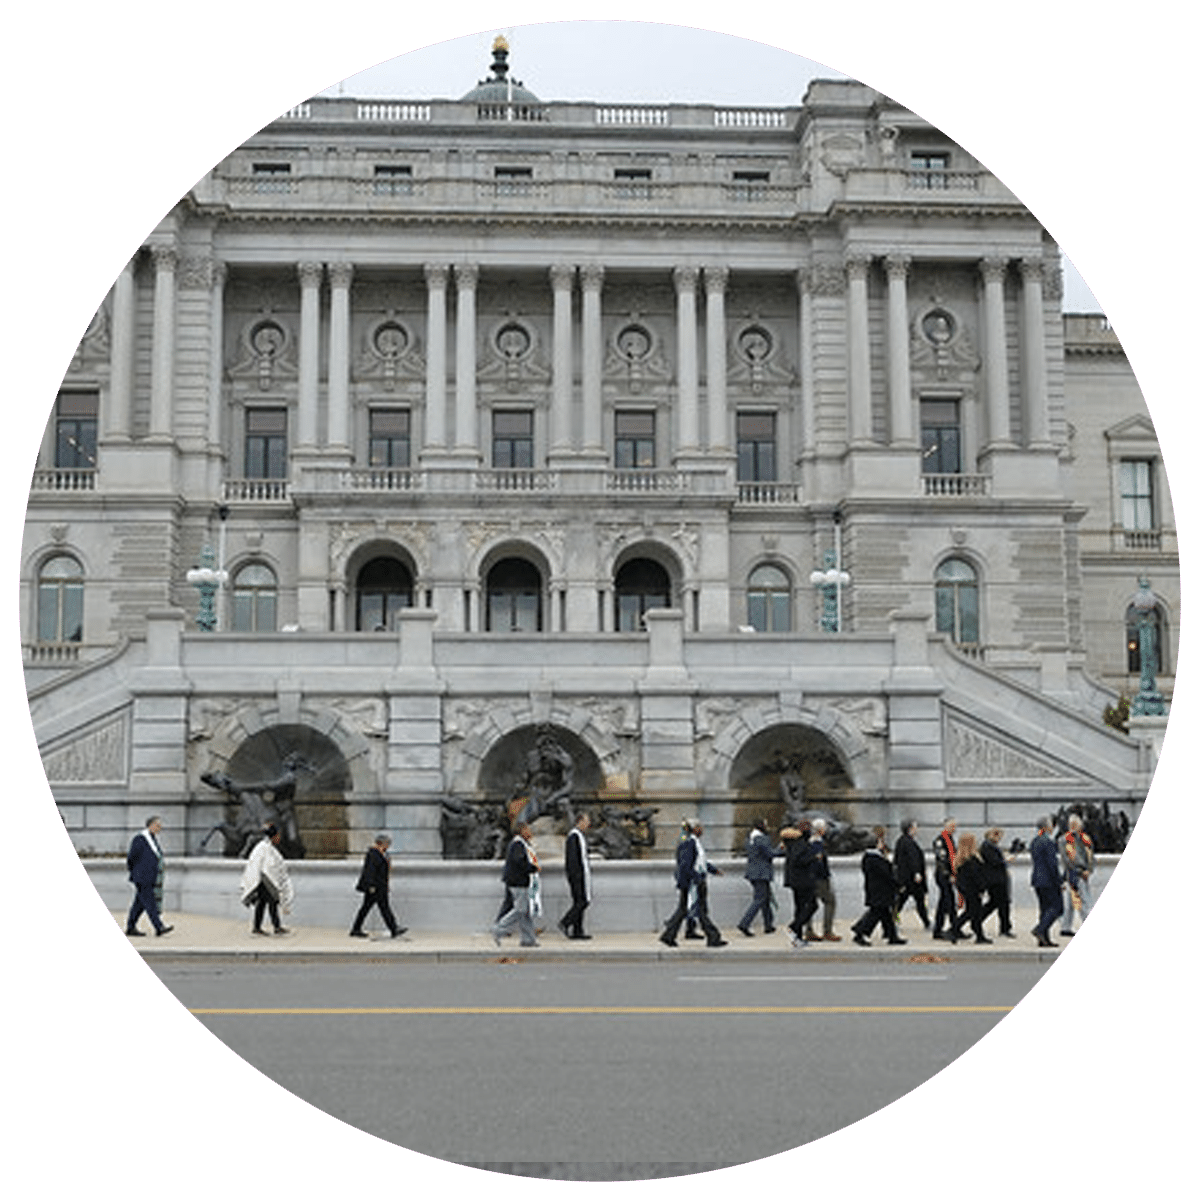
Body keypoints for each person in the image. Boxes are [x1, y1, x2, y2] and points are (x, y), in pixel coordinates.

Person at [660, 821, 726, 947]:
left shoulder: (694, 842)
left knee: (685, 909)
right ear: (694, 829)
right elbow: (686, 865)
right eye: (699, 827)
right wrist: (696, 878)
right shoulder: (688, 843)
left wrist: (714, 870)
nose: (702, 829)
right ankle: (713, 937)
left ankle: (669, 935)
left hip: (693, 881)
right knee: (699, 910)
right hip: (692, 883)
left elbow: (700, 862)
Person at [850, 826, 905, 946]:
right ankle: (860, 932)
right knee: (876, 914)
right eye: (880, 842)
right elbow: (887, 874)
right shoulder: (875, 859)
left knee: (885, 914)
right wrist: (898, 884)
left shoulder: (871, 857)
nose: (882, 843)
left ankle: (892, 936)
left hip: (877, 889)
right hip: (880, 890)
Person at [349, 834, 407, 939]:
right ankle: (394, 929)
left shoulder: (381, 853)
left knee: (367, 908)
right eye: (387, 843)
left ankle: (356, 929)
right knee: (383, 908)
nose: (388, 846)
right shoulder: (373, 853)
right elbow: (370, 870)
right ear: (381, 843)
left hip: (380, 886)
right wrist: (370, 885)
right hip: (376, 887)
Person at [492, 823, 540, 948]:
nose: (530, 831)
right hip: (518, 882)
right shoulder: (518, 844)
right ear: (522, 830)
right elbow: (520, 862)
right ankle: (499, 929)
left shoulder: (519, 844)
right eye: (528, 829)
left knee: (525, 912)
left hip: (518, 881)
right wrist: (532, 868)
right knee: (521, 910)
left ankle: (528, 940)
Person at [240, 824, 294, 935]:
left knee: (263, 903)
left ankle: (258, 927)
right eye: (278, 835)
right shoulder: (265, 848)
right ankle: (276, 927)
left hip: (263, 881)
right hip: (265, 881)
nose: (279, 838)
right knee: (271, 903)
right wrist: (274, 882)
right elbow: (268, 868)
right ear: (273, 836)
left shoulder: (263, 847)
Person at [125, 815, 172, 937]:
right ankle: (159, 926)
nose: (159, 828)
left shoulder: (152, 839)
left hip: (149, 877)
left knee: (139, 904)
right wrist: (135, 872)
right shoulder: (140, 839)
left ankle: (130, 927)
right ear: (150, 825)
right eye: (158, 825)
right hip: (142, 877)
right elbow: (131, 857)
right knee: (150, 903)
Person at [736, 817, 780, 936]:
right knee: (759, 899)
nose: (767, 826)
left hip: (752, 873)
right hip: (762, 873)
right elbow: (770, 854)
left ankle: (768, 925)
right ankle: (744, 923)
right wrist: (782, 849)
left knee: (765, 899)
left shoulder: (749, 838)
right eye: (765, 824)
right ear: (761, 826)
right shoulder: (762, 839)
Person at [780, 819, 819, 949]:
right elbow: (798, 860)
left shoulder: (795, 842)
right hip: (803, 880)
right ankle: (794, 927)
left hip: (797, 880)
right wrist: (814, 857)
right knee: (812, 905)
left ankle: (797, 938)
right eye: (809, 829)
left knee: (800, 908)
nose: (811, 832)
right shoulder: (800, 843)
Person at [950, 833, 992, 944]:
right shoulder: (972, 860)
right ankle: (955, 929)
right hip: (973, 890)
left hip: (967, 890)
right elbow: (977, 877)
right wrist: (982, 888)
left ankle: (979, 935)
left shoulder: (961, 859)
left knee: (973, 913)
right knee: (972, 912)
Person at [1030, 815, 1065, 948]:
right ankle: (1040, 929)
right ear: (1046, 827)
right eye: (1051, 825)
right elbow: (1052, 865)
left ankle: (1044, 939)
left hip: (1037, 880)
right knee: (1057, 908)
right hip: (1048, 881)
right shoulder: (1048, 842)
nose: (1052, 827)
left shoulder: (1035, 841)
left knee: (1045, 909)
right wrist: (1059, 881)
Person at [803, 817, 840, 941]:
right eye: (824, 828)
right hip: (820, 879)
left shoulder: (810, 841)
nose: (826, 830)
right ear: (820, 830)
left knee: (811, 904)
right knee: (830, 901)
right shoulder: (817, 843)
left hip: (810, 878)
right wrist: (823, 875)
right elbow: (818, 861)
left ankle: (809, 930)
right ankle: (827, 931)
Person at [1059, 814, 1095, 938]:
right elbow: (1066, 860)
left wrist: (1089, 870)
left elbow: (1091, 857)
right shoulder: (1064, 840)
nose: (1074, 826)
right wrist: (1080, 871)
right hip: (1074, 874)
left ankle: (1065, 927)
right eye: (1072, 824)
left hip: (1083, 873)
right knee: (1082, 901)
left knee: (1071, 902)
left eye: (1076, 824)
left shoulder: (1085, 839)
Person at [559, 811, 593, 940]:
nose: (588, 824)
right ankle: (565, 922)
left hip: (581, 875)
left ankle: (578, 931)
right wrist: (576, 876)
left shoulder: (579, 836)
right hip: (578, 876)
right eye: (586, 821)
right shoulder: (573, 836)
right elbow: (572, 859)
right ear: (580, 821)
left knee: (579, 902)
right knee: (582, 902)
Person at [893, 820, 929, 929]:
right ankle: (892, 921)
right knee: (907, 901)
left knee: (915, 900)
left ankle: (926, 921)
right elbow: (913, 859)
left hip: (907, 878)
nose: (916, 829)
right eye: (915, 827)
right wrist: (917, 873)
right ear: (910, 829)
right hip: (910, 879)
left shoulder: (902, 841)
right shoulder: (908, 842)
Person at [980, 827, 1015, 937]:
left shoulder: (992, 846)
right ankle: (1004, 928)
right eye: (996, 835)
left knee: (1000, 904)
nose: (999, 838)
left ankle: (1005, 927)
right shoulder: (987, 846)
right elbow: (994, 862)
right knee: (998, 904)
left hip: (998, 879)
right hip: (995, 880)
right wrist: (1005, 860)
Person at [931, 817, 960, 941]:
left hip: (948, 875)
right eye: (952, 826)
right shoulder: (940, 840)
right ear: (946, 826)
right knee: (949, 902)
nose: (954, 829)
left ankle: (939, 930)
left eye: (955, 826)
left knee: (944, 903)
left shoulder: (950, 839)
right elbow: (942, 860)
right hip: (943, 875)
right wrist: (950, 875)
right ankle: (954, 928)